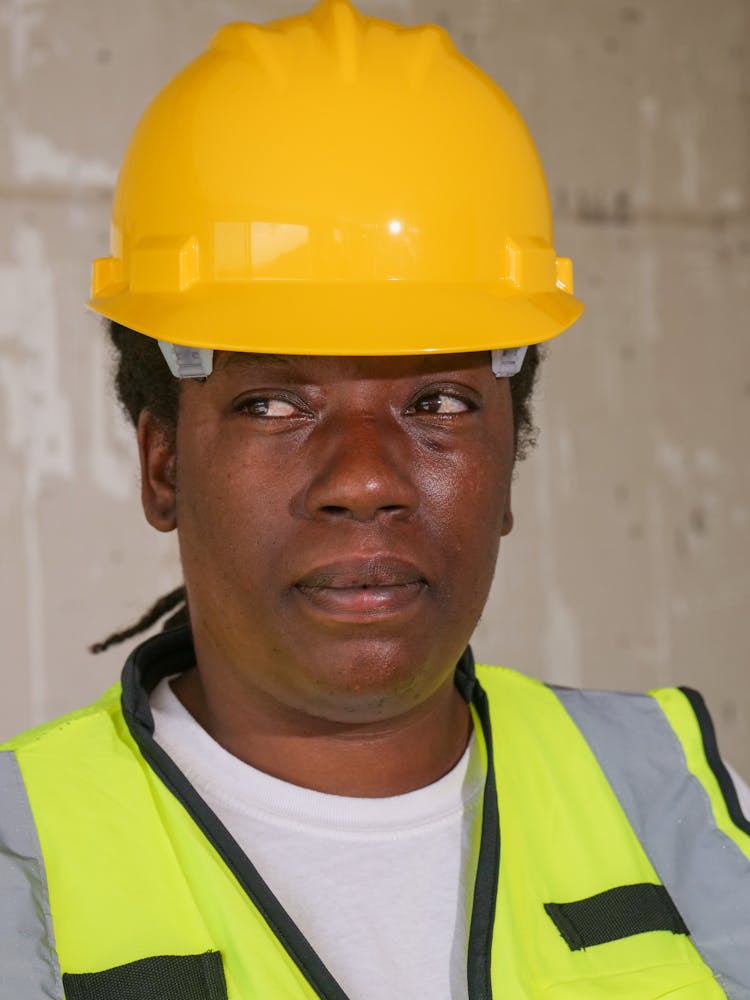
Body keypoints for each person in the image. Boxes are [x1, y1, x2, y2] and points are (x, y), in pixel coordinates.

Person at [1, 1, 749, 997]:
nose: (364, 478)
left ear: (510, 456)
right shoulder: (26, 858)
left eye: (436, 401)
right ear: (164, 465)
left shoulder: (671, 797)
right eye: (273, 402)